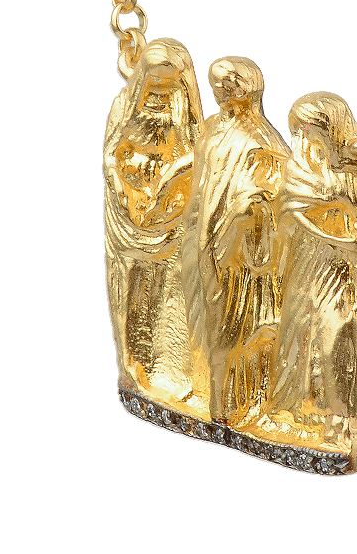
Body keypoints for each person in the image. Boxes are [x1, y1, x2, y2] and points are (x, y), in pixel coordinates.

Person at [182, 57, 289, 429]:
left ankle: (236, 405)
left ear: (250, 89)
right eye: (217, 86)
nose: (222, 93)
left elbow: (279, 190)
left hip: (241, 253)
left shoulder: (262, 139)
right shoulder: (212, 128)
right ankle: (211, 396)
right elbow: (200, 182)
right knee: (203, 318)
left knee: (235, 326)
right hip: (200, 236)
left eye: (231, 86)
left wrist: (249, 206)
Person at [268, 93, 357, 466]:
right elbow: (289, 208)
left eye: (309, 128)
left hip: (339, 270)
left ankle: (336, 418)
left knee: (337, 337)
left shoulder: (352, 173)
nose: (301, 136)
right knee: (297, 335)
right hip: (304, 263)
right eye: (297, 129)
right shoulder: (298, 169)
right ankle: (294, 411)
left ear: (332, 131)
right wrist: (333, 213)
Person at [103, 39, 204, 412]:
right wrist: (123, 190)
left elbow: (197, 153)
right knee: (128, 285)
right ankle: (134, 366)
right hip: (128, 209)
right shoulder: (124, 104)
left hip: (172, 212)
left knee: (174, 288)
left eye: (169, 83)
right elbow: (111, 153)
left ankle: (174, 374)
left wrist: (168, 187)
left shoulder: (184, 109)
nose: (161, 90)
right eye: (154, 83)